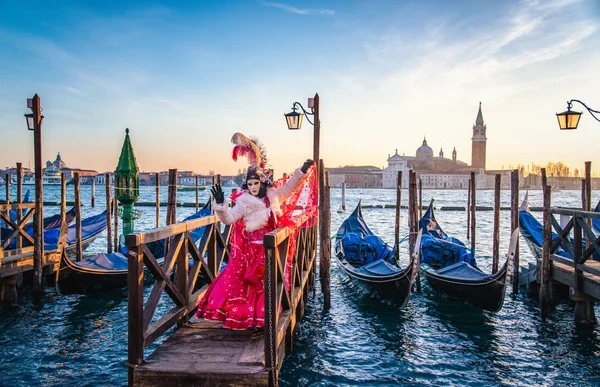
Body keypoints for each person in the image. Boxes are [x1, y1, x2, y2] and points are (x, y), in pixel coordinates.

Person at [196, 132, 316, 330]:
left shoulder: (273, 195)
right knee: (246, 287)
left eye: (255, 183)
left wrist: (301, 171)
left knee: (270, 286)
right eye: (249, 184)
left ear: (262, 183)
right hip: (250, 252)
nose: (252, 187)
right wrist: (220, 205)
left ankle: (263, 319)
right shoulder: (243, 202)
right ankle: (248, 319)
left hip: (272, 249)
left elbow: (290, 188)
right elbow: (229, 219)